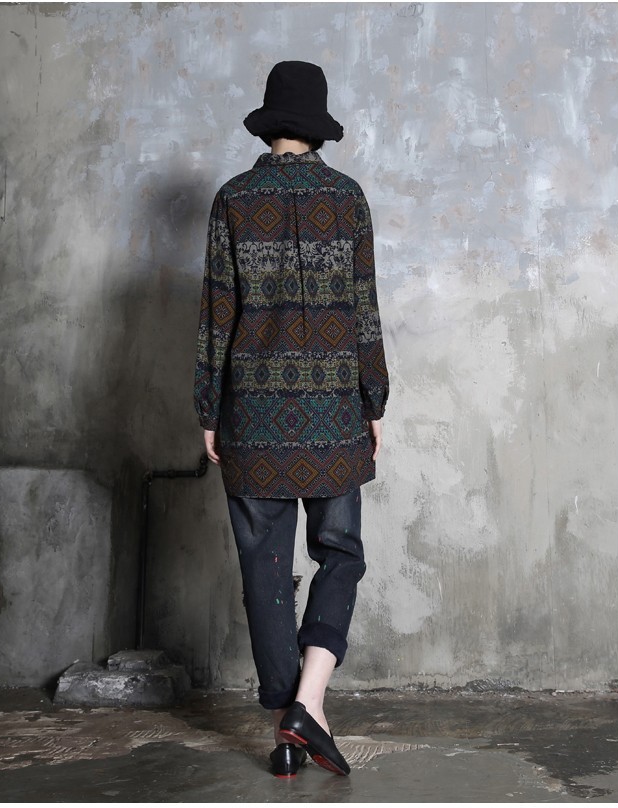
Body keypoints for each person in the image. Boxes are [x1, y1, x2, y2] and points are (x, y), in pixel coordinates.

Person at [194, 61, 389, 778]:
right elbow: (364, 310)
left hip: (252, 415)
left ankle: (289, 723)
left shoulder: (233, 199)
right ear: (317, 127)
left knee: (265, 569)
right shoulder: (348, 198)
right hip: (334, 410)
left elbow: (216, 316)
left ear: (270, 123)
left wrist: (208, 408)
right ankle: (309, 703)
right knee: (341, 554)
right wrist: (374, 399)